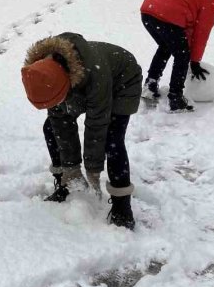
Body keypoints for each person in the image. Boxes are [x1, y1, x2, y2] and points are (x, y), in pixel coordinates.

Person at [21, 33, 142, 230]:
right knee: (51, 127)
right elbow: (61, 124)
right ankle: (64, 184)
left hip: (122, 81)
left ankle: (122, 205)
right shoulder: (45, 74)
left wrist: (93, 169)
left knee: (112, 139)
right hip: (76, 81)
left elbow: (97, 126)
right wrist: (71, 168)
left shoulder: (96, 75)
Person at [139, 0, 214, 112]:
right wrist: (194, 61)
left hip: (149, 9)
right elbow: (201, 33)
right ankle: (175, 99)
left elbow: (190, 27)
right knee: (182, 56)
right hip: (167, 13)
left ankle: (150, 86)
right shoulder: (213, 1)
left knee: (166, 47)